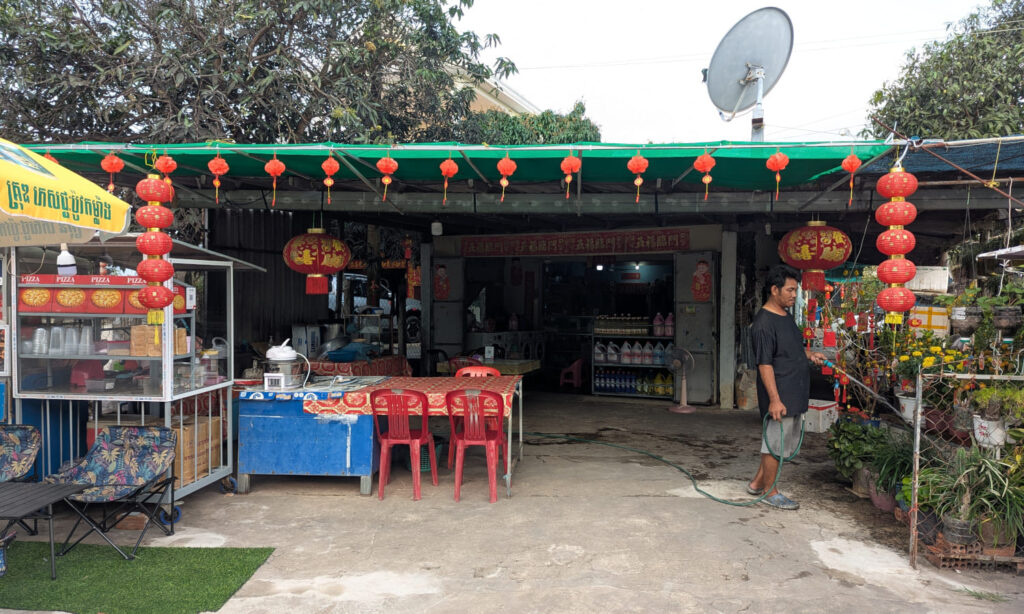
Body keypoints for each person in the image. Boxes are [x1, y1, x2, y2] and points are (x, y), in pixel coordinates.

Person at [747, 265, 825, 510]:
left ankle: (757, 484)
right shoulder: (763, 324)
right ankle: (771, 492)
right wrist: (774, 399)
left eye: (795, 290)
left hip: (794, 390)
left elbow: (787, 349)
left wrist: (808, 354)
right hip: (780, 393)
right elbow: (765, 364)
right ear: (774, 290)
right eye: (790, 290)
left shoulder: (785, 315)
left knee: (780, 443)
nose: (794, 295)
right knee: (773, 444)